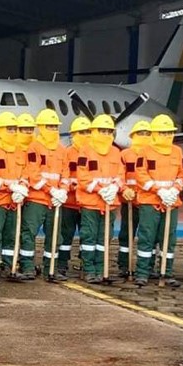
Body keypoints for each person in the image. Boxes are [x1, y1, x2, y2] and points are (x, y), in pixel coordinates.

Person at [133, 115, 183, 288]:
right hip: (150, 201)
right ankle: (143, 272)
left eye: (169, 132)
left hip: (171, 201)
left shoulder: (177, 151)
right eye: (163, 133)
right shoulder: (144, 152)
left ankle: (166, 271)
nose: (167, 136)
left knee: (167, 238)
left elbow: (182, 174)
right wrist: (159, 190)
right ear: (154, 134)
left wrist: (175, 189)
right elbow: (141, 174)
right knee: (147, 237)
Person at [20, 110, 67, 281]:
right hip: (37, 199)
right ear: (40, 127)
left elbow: (65, 174)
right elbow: (33, 173)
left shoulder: (62, 150)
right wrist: (51, 190)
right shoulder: (34, 148)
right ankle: (27, 267)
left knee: (55, 236)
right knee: (29, 233)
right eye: (49, 126)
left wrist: (62, 190)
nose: (53, 129)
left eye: (55, 126)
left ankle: (51, 269)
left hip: (56, 200)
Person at [76, 115, 123, 284]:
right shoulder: (85, 151)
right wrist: (100, 189)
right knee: (89, 237)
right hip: (91, 202)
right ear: (94, 132)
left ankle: (100, 269)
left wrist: (114, 187)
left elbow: (120, 174)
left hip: (110, 203)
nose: (105, 134)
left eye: (108, 131)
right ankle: (88, 269)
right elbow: (83, 176)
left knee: (104, 237)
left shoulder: (116, 152)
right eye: (102, 130)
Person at [0, 112, 28, 283]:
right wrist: (9, 186)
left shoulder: (19, 152)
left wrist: (22, 187)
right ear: (0, 131)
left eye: (15, 128)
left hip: (14, 202)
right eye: (9, 129)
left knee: (11, 236)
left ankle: (9, 266)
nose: (13, 132)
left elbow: (25, 173)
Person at [51, 117, 92, 278]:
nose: (86, 135)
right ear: (73, 134)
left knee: (87, 234)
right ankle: (62, 263)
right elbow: (65, 174)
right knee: (65, 234)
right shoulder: (67, 153)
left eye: (88, 132)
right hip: (69, 201)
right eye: (82, 132)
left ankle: (84, 262)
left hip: (87, 202)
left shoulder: (93, 153)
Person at [117, 121, 151, 279]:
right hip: (129, 200)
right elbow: (119, 175)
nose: (144, 137)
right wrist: (124, 190)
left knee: (148, 234)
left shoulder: (152, 155)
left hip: (147, 200)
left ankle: (148, 266)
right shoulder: (125, 155)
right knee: (126, 232)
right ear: (132, 136)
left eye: (147, 133)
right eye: (140, 133)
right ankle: (124, 263)